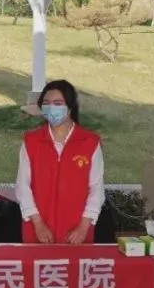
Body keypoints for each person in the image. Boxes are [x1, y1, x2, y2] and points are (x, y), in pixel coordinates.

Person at [15, 79, 105, 245]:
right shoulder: (31, 141)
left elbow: (96, 189)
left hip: (76, 233)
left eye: (58, 103)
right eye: (46, 103)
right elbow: (23, 186)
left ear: (70, 107)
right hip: (37, 231)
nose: (51, 108)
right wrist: (38, 224)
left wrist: (83, 227)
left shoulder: (90, 143)